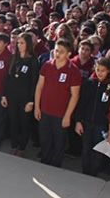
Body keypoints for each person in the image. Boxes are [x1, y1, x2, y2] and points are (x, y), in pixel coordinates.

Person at [34, 39, 82, 167]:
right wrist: (37, 107)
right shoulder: (47, 65)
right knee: (45, 139)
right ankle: (45, 161)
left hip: (61, 114)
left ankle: (56, 165)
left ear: (69, 54)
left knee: (59, 141)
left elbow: (75, 96)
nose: (57, 54)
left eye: (61, 52)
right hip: (45, 110)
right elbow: (39, 87)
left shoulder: (74, 71)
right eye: (56, 50)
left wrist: (68, 116)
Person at [75, 58, 110, 176]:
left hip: (101, 125)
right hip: (87, 122)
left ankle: (93, 172)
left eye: (103, 70)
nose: (99, 73)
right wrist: (78, 121)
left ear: (108, 71)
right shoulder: (89, 83)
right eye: (98, 69)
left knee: (98, 150)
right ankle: (85, 171)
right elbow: (81, 103)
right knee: (86, 148)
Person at [2, 33, 40, 156]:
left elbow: (34, 82)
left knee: (24, 123)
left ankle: (22, 147)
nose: (19, 45)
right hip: (12, 96)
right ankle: (14, 144)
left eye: (22, 43)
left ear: (28, 44)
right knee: (13, 121)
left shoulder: (33, 61)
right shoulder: (14, 58)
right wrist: (4, 95)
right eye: (18, 43)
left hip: (25, 98)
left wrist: (31, 100)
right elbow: (8, 78)